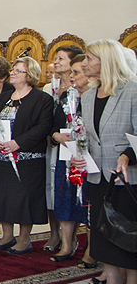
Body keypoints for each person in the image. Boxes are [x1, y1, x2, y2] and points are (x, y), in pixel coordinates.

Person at [71, 40, 137, 284]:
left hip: (125, 177)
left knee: (127, 233)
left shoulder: (132, 91)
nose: (84, 63)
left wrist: (127, 155)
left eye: (89, 58)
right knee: (101, 230)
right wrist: (78, 154)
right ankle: (112, 283)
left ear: (106, 61)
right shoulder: (88, 96)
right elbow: (86, 136)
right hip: (97, 174)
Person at [0, 57, 55, 254]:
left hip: (27, 158)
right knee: (2, 197)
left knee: (25, 198)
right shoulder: (3, 97)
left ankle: (24, 239)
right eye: (13, 69)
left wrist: (18, 143)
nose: (12, 73)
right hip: (2, 157)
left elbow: (43, 127)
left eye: (18, 70)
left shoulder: (42, 99)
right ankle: (7, 236)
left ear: (29, 75)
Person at [49, 53, 92, 262]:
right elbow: (53, 126)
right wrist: (57, 135)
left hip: (88, 158)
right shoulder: (67, 96)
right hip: (66, 155)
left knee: (87, 202)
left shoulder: (95, 96)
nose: (72, 76)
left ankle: (91, 250)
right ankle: (67, 245)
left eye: (77, 72)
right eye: (72, 72)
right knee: (65, 199)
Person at [43, 45, 85, 252]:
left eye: (61, 58)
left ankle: (81, 244)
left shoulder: (86, 93)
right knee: (60, 194)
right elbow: (54, 123)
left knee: (79, 198)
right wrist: (56, 135)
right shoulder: (61, 93)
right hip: (59, 148)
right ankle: (62, 240)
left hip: (82, 152)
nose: (56, 62)